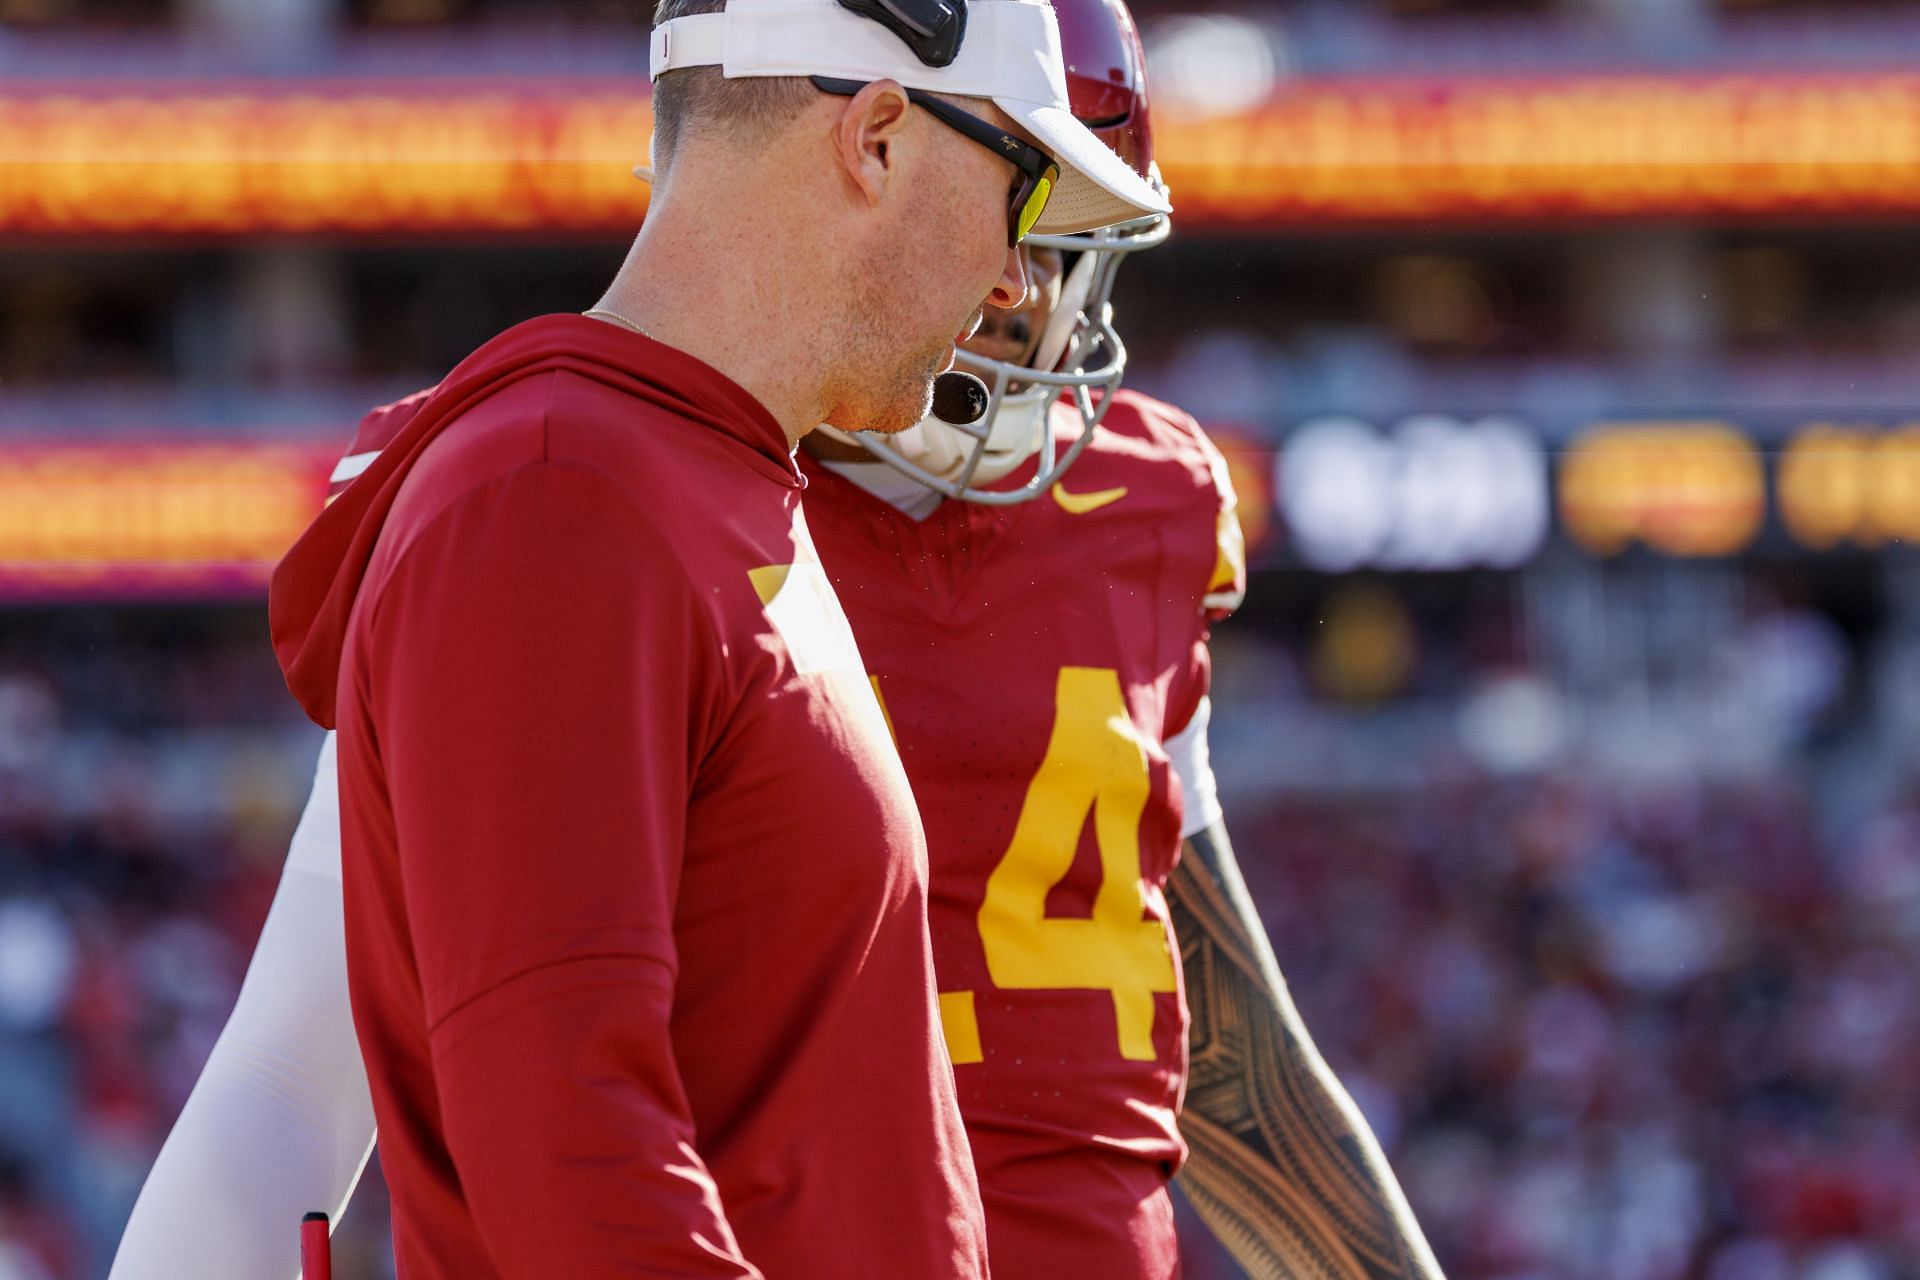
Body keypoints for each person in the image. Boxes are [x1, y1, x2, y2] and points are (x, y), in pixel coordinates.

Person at [111, 2, 1438, 1278]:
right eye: (1024, 204)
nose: (1014, 278)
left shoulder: (792, 494)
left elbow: (1228, 1058)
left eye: (1064, 242)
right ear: (873, 140)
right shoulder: (569, 488)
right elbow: (421, 1111)